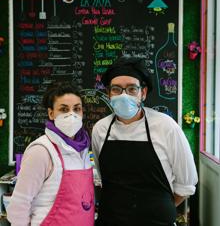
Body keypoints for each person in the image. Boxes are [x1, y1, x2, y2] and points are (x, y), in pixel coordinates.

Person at [92, 56, 198, 226]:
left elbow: (186, 184)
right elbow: (102, 177)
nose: (123, 95)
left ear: (143, 92)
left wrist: (157, 208)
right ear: (108, 93)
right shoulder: (101, 129)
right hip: (111, 220)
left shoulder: (166, 126)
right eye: (117, 89)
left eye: (132, 89)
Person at [7, 81, 94, 226]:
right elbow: (19, 204)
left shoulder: (83, 149)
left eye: (77, 109)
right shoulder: (41, 150)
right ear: (51, 113)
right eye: (64, 109)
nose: (71, 115)